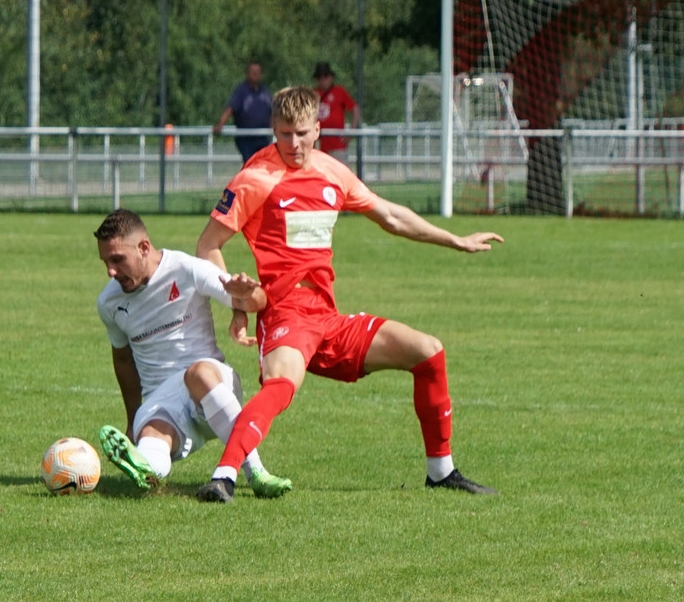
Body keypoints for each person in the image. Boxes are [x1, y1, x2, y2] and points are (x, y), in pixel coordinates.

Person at [194, 86, 504, 503]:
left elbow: (391, 216)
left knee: (428, 351)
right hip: (285, 314)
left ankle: (441, 472)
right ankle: (224, 478)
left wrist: (455, 239)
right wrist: (237, 302)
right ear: (273, 129)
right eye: (284, 134)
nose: (293, 143)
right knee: (282, 385)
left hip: (328, 317)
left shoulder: (332, 173)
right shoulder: (255, 178)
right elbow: (207, 245)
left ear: (318, 129)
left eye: (302, 133)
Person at [94, 208, 292, 498]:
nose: (111, 271)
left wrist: (246, 293)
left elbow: (257, 302)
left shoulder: (186, 269)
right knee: (152, 436)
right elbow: (123, 359)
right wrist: (133, 419)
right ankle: (147, 468)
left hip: (213, 384)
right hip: (163, 400)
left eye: (117, 260)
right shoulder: (108, 302)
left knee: (196, 373)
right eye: (105, 262)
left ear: (144, 247)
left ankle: (257, 473)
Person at [212, 61, 273, 164]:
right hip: (246, 138)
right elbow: (230, 109)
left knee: (262, 164)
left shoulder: (265, 92)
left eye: (258, 72)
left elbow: (273, 112)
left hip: (263, 137)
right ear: (247, 73)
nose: (255, 74)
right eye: (252, 72)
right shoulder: (241, 91)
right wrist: (220, 124)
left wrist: (274, 128)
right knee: (250, 163)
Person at [312, 61, 361, 160]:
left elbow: (355, 109)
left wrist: (351, 132)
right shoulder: (313, 94)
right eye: (319, 77)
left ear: (331, 77)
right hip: (319, 144)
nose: (322, 79)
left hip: (338, 145)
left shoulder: (339, 91)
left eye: (325, 76)